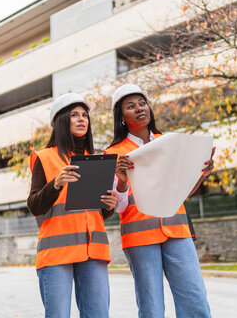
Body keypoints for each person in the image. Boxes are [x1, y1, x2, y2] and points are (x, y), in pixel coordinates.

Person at [105, 84, 214, 318]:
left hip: (177, 230)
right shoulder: (113, 153)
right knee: (151, 307)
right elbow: (119, 206)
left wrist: (201, 174)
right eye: (130, 106)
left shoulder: (170, 142)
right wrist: (122, 181)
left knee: (195, 300)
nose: (139, 109)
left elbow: (183, 191)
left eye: (142, 103)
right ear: (121, 117)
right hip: (140, 236)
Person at [27, 93, 121, 318]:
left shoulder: (96, 159)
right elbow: (34, 205)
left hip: (94, 251)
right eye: (75, 115)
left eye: (85, 115)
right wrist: (56, 183)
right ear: (61, 121)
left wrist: (109, 205)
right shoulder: (44, 158)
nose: (82, 119)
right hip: (56, 254)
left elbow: (94, 212)